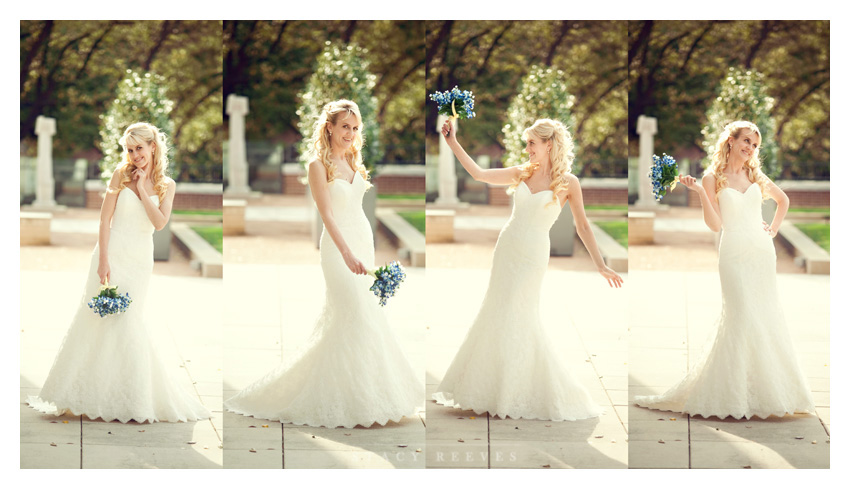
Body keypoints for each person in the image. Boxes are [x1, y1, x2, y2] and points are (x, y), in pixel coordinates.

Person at [224, 100, 422, 428]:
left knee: (363, 318)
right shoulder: (319, 165)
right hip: (337, 249)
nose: (351, 133)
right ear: (329, 126)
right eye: (345, 126)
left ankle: (364, 394)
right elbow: (327, 214)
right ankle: (339, 398)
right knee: (354, 314)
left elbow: (357, 208)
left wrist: (362, 251)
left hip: (363, 242)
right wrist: (346, 253)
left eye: (356, 128)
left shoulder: (354, 160)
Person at [433, 117, 623, 421]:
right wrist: (452, 141)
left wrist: (600, 264)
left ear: (549, 144)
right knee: (497, 310)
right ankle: (491, 387)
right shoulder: (522, 172)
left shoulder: (568, 183)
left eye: (532, 143)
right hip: (507, 248)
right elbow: (479, 173)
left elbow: (583, 225)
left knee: (519, 312)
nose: (527, 148)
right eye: (527, 143)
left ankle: (521, 389)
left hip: (533, 255)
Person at [27, 122, 211, 423]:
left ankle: (129, 397)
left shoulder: (168, 184)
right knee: (96, 320)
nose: (134, 154)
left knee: (129, 321)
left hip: (139, 260)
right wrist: (103, 260)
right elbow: (104, 221)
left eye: (140, 148)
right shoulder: (118, 175)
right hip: (111, 254)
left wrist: (140, 188)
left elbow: (159, 223)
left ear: (153, 147)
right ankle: (85, 392)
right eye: (129, 149)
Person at [633, 120, 815, 419]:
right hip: (733, 253)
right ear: (731, 141)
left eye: (755, 145)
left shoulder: (754, 174)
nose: (750, 149)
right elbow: (716, 225)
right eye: (746, 142)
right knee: (741, 314)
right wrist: (702, 193)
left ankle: (766, 392)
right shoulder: (711, 177)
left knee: (764, 317)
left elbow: (783, 200)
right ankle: (734, 393)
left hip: (761, 252)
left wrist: (773, 230)